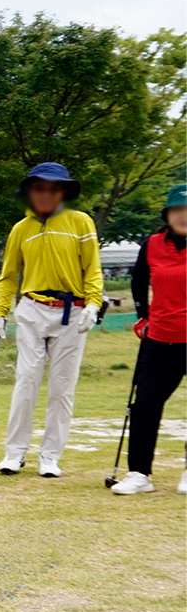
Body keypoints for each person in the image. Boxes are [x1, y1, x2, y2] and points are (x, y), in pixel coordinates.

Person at [0, 162, 104, 478]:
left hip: (73, 311)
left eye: (53, 188)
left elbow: (92, 269)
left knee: (62, 388)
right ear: (30, 191)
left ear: (63, 192)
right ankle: (14, 453)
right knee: (26, 380)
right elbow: (8, 277)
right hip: (31, 308)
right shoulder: (20, 229)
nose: (45, 194)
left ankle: (50, 456)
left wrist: (93, 304)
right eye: (39, 188)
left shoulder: (81, 223)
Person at [111, 183, 187, 496]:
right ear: (167, 214)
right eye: (177, 210)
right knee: (144, 406)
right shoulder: (152, 244)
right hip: (160, 339)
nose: (183, 216)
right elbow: (139, 280)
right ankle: (139, 473)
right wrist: (142, 316)